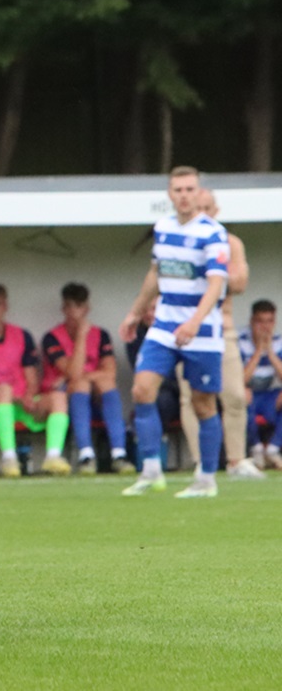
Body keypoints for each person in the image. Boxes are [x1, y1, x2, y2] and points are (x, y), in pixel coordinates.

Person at [118, 165, 229, 498]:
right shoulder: (162, 228)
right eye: (178, 190)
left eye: (189, 189)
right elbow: (156, 273)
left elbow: (217, 283)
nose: (184, 195)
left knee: (203, 404)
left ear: (199, 193)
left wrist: (194, 321)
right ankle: (152, 470)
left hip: (203, 330)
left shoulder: (213, 232)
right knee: (141, 390)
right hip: (165, 325)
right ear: (170, 193)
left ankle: (207, 479)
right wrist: (135, 313)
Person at [177, 189, 263, 478]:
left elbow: (239, 283)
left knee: (235, 395)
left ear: (216, 211)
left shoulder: (231, 243)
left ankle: (236, 460)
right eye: (197, 208)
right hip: (186, 328)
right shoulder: (179, 239)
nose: (202, 213)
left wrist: (211, 273)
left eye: (207, 208)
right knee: (191, 397)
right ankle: (202, 461)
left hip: (221, 329)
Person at [0, 283, 71, 477]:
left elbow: (32, 377)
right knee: (3, 389)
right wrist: (17, 397)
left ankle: (53, 457)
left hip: (22, 403)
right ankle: (9, 459)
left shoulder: (22, 336)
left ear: (5, 306)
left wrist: (28, 396)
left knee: (58, 398)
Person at [42, 282, 135, 474]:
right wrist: (82, 337)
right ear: (64, 308)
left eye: (79, 307)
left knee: (105, 382)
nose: (75, 312)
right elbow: (73, 374)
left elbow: (110, 373)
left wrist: (86, 376)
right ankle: (86, 456)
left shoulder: (101, 335)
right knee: (80, 384)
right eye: (70, 307)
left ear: (87, 308)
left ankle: (119, 454)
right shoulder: (52, 337)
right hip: (64, 398)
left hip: (95, 394)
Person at [238, 299, 282, 469]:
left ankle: (273, 449)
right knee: (240, 395)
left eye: (269, 321)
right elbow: (240, 380)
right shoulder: (240, 340)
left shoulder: (278, 342)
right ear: (252, 321)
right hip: (250, 394)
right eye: (260, 321)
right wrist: (258, 351)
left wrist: (269, 352)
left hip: (269, 395)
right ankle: (255, 449)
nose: (265, 327)